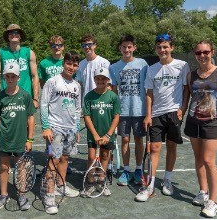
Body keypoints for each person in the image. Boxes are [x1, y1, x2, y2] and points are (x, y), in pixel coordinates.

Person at [135, 34, 190, 202]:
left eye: (165, 47)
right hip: (157, 114)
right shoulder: (151, 69)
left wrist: (183, 109)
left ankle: (167, 180)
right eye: (159, 47)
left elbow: (187, 89)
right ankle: (150, 184)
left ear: (171, 48)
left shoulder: (183, 66)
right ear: (156, 50)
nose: (162, 50)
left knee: (172, 146)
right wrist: (148, 115)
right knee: (155, 149)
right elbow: (149, 94)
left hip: (174, 112)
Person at [184, 40, 217, 218]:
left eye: (205, 52)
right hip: (193, 122)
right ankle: (203, 192)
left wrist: (216, 114)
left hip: (212, 124)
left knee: (208, 160)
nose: (202, 55)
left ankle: (214, 201)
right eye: (198, 53)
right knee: (198, 158)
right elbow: (190, 97)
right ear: (195, 55)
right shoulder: (191, 76)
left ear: (212, 52)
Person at [40, 51, 81, 214]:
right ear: (64, 64)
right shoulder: (52, 81)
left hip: (70, 129)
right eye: (69, 63)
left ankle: (60, 186)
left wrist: (77, 128)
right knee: (53, 162)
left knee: (65, 159)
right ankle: (49, 196)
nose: (71, 67)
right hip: (55, 128)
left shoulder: (77, 85)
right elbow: (44, 104)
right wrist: (46, 127)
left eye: (75, 65)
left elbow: (78, 109)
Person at [0, 62, 35, 211]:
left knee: (21, 167)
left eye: (13, 76)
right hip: (4, 139)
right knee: (4, 167)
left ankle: (21, 194)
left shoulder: (25, 95)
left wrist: (29, 139)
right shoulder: (0, 97)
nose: (10, 79)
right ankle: (3, 194)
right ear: (4, 77)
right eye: (7, 76)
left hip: (21, 139)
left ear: (18, 77)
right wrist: (2, 131)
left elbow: (31, 118)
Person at [109, 34, 148, 186]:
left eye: (129, 47)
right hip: (123, 110)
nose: (127, 49)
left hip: (140, 110)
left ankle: (138, 169)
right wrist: (114, 110)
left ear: (134, 48)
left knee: (139, 140)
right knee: (125, 139)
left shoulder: (143, 64)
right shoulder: (113, 67)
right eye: (124, 47)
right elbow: (113, 91)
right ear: (120, 48)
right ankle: (126, 170)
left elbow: (148, 87)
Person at [81, 67, 120, 197]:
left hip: (108, 135)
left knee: (104, 156)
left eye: (103, 78)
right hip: (93, 135)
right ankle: (91, 182)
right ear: (94, 79)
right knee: (92, 158)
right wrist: (96, 135)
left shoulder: (113, 96)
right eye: (98, 78)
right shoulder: (89, 96)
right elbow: (86, 116)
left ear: (108, 80)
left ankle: (101, 181)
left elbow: (116, 116)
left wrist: (108, 135)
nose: (100, 81)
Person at [38, 35, 73, 174]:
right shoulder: (44, 63)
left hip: (65, 105)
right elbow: (42, 83)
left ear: (63, 47)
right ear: (50, 47)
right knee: (52, 139)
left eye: (59, 45)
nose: (56, 48)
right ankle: (51, 165)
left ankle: (64, 164)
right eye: (54, 46)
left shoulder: (67, 62)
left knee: (65, 138)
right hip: (51, 105)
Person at [0, 24, 40, 108]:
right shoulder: (0, 53)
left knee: (29, 121)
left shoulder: (29, 52)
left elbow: (34, 76)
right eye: (10, 33)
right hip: (6, 97)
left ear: (20, 36)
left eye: (16, 32)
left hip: (25, 96)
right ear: (7, 36)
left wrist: (35, 98)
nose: (14, 34)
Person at [76, 34, 111, 102]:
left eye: (89, 44)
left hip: (101, 103)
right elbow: (80, 86)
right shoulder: (80, 64)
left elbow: (108, 85)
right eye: (84, 45)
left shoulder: (104, 62)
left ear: (94, 45)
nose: (86, 47)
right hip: (85, 103)